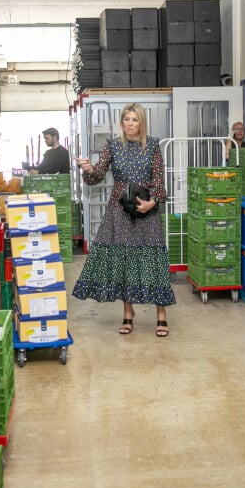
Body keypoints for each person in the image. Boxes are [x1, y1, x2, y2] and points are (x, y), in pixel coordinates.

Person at [73, 102, 176, 337]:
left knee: (153, 259)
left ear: (142, 122)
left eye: (134, 119)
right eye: (126, 120)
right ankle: (128, 313)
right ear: (122, 122)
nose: (130, 124)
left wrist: (153, 202)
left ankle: (161, 314)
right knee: (124, 261)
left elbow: (159, 181)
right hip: (119, 210)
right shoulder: (112, 145)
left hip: (146, 210)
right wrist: (89, 169)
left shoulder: (152, 145)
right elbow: (97, 176)